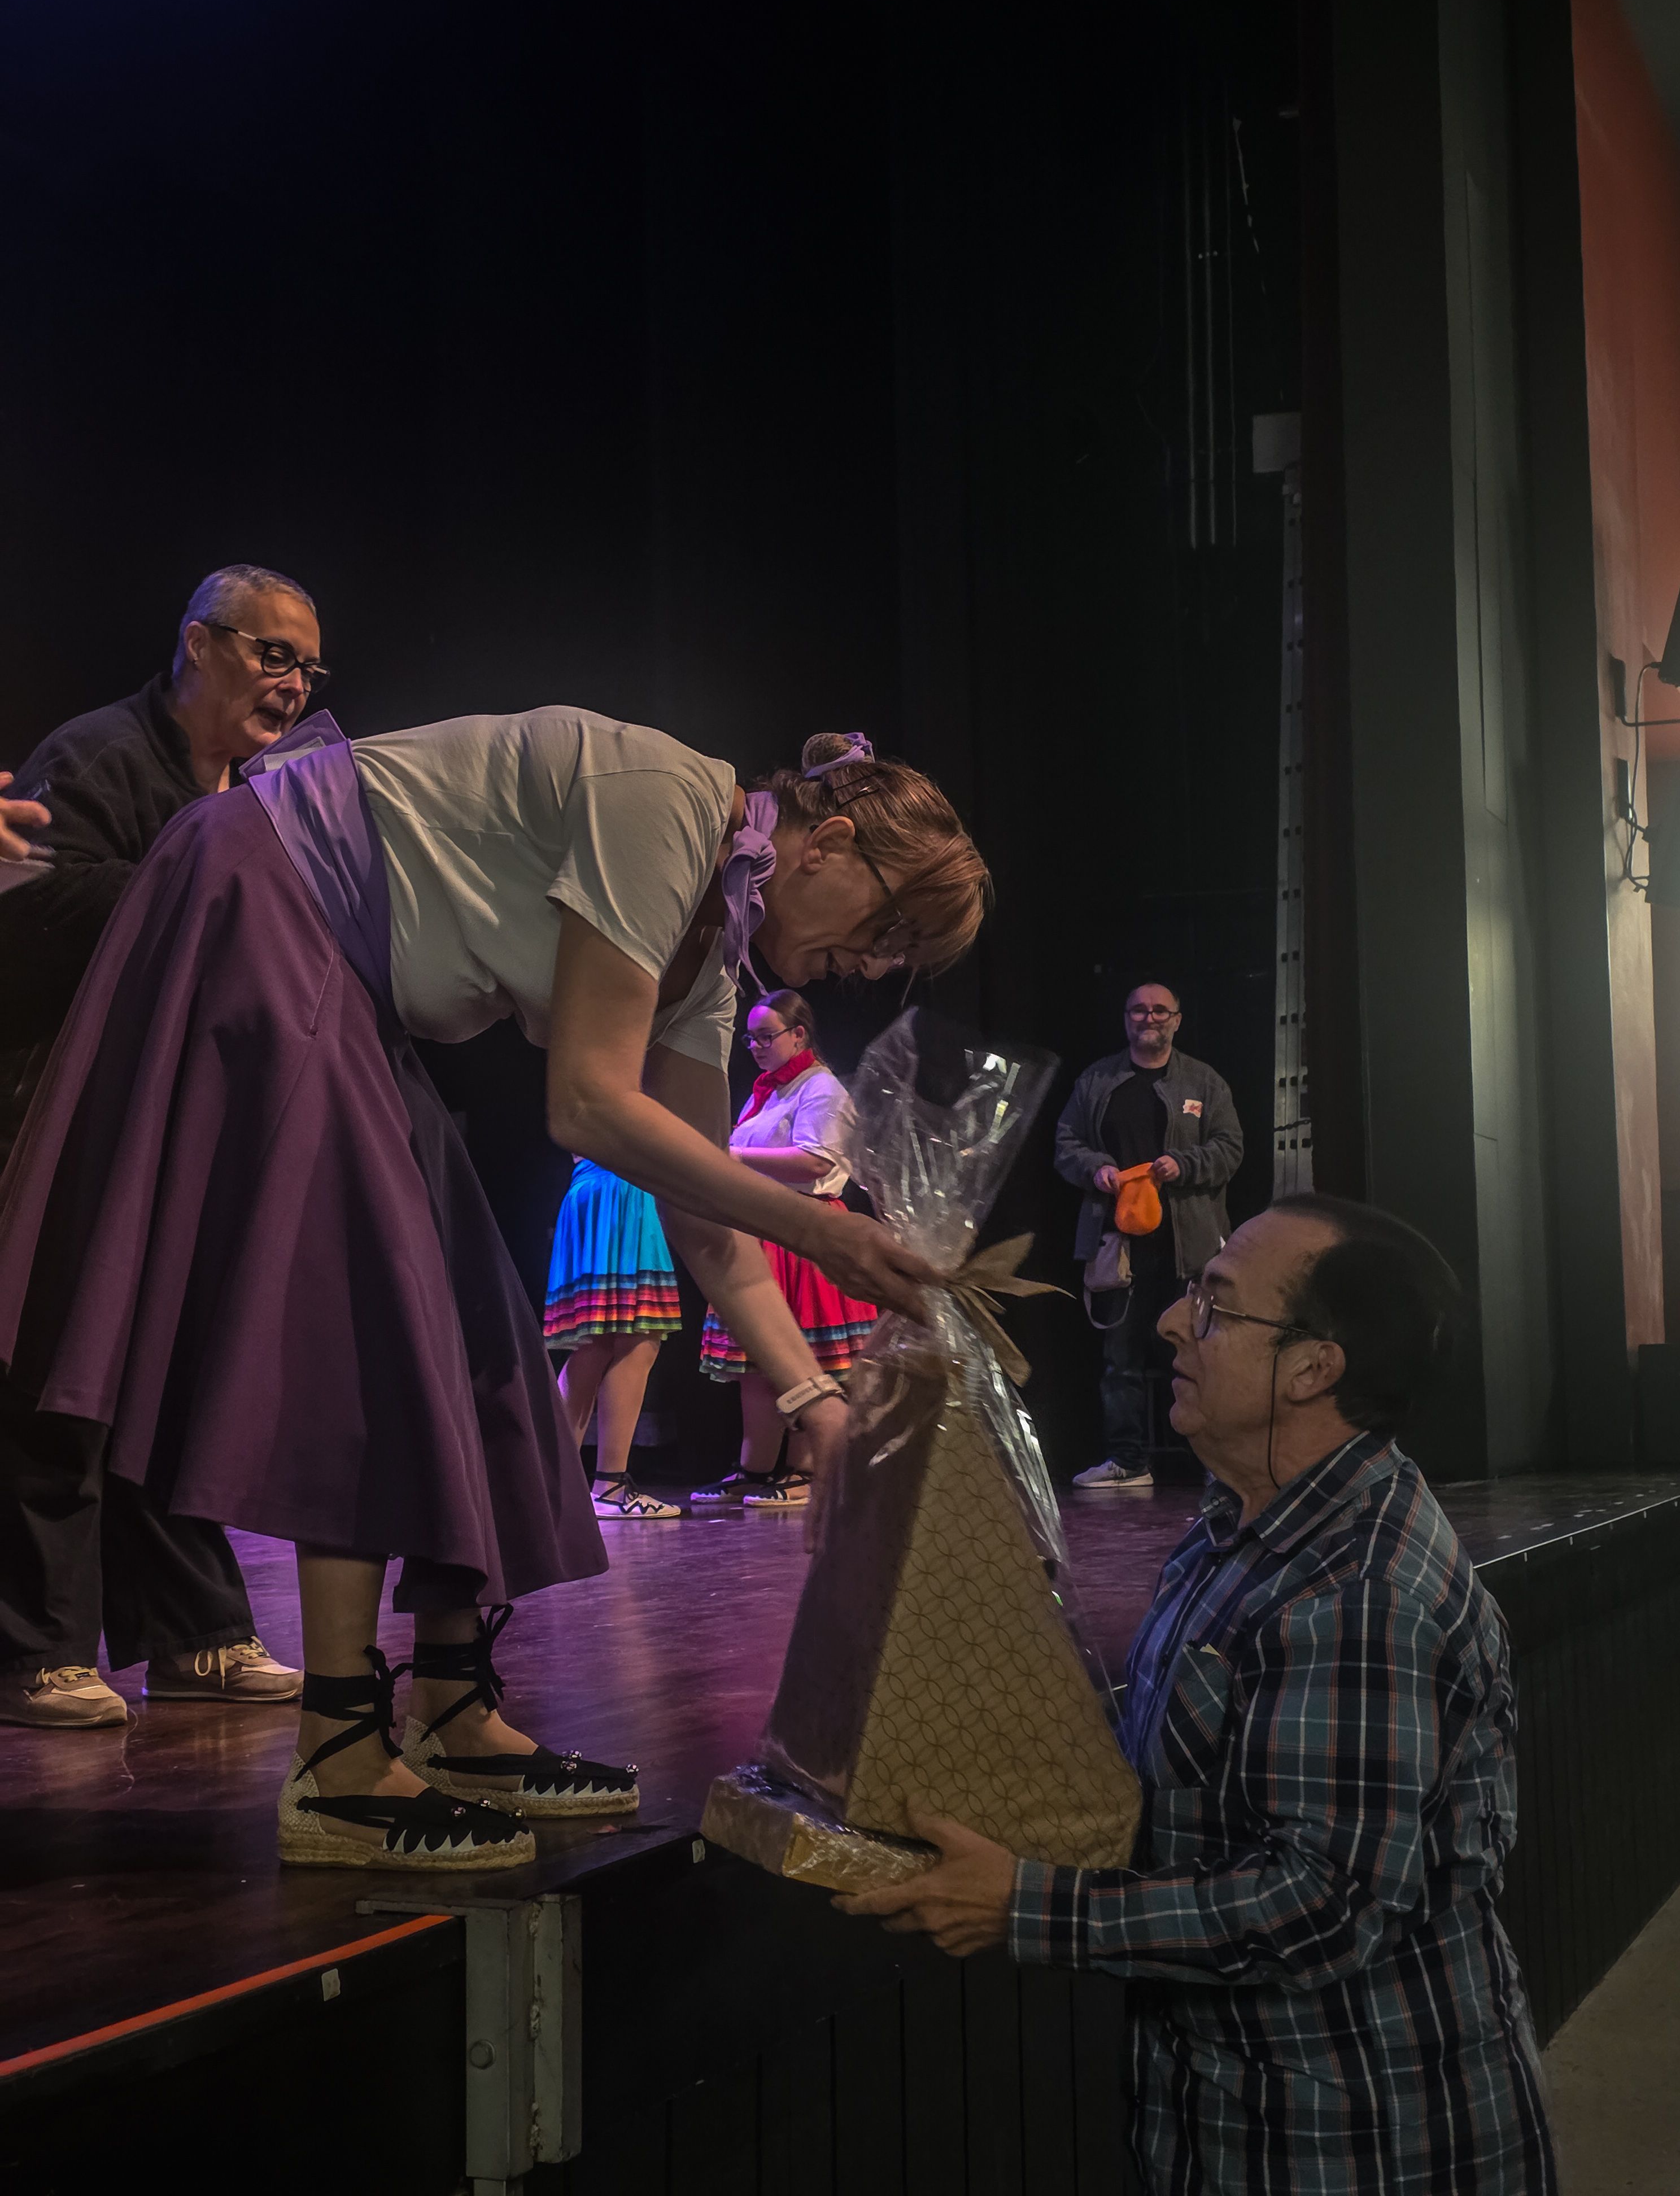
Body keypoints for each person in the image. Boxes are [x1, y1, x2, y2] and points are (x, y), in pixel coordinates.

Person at [0, 715, 987, 1870]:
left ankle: (455, 1708)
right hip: (263, 886)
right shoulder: (665, 799)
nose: (870, 964)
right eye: (888, 928)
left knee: (480, 1321)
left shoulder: (708, 952)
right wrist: (829, 1227)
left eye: (899, 953)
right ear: (827, 842)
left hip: (342, 963)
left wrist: (820, 1401)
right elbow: (587, 1103)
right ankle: (338, 1757)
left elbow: (709, 1229)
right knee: (373, 1303)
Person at [835, 1195, 1558, 2196]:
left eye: (1215, 1307)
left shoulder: (1359, 1592)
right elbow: (1188, 1784)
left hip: (1360, 2144)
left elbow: (1321, 1904)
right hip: (1235, 2118)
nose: (1174, 1322)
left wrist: (1028, 1904)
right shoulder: (1247, 1520)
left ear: (1314, 1367)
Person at [0, 565, 318, 1728]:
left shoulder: (261, 788)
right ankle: (34, 1647)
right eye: (269, 652)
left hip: (176, 1132)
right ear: (197, 642)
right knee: (58, 1383)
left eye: (304, 666)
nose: (288, 683)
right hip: (53, 1120)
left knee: (174, 1381)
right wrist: (202, 887)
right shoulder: (92, 757)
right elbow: (30, 910)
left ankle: (194, 1630)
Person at [693, 990, 879, 1512]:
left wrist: (731, 1154)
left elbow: (816, 1163)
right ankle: (755, 1466)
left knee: (808, 1355)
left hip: (804, 1231)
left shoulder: (820, 1088)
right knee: (758, 1360)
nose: (755, 1046)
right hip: (766, 1229)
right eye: (750, 1038)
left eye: (766, 1035)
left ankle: (804, 1468)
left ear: (800, 1034)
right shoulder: (769, 1091)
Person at [1054, 980, 1241, 1493]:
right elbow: (1065, 1143)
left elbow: (1231, 1149)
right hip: (1121, 1249)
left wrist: (1184, 1164)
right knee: (1122, 1361)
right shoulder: (1098, 1081)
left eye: (1161, 1011)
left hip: (1191, 1250)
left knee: (1200, 1358)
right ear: (1126, 1020)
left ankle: (1218, 1463)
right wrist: (1096, 1170)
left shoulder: (1204, 1083)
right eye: (1139, 1011)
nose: (1150, 1018)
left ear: (1177, 1020)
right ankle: (1129, 1462)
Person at [546, 1159, 682, 1521]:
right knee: (641, 1337)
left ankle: (547, 1486)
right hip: (624, 1191)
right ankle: (609, 1486)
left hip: (594, 1189)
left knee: (595, 1344)